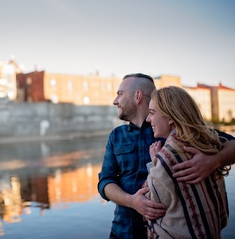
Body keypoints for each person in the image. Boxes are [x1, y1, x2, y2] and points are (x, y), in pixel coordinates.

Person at [97, 73, 235, 239]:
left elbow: (230, 144)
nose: (115, 101)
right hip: (124, 231)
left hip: (168, 232)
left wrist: (214, 160)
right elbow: (105, 181)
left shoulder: (169, 127)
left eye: (120, 94)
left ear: (137, 96)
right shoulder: (116, 136)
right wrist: (132, 201)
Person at [145, 86, 230, 238]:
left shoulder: (167, 157)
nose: (148, 119)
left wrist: (155, 163)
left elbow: (151, 207)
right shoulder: (210, 144)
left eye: (152, 113)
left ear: (170, 116)